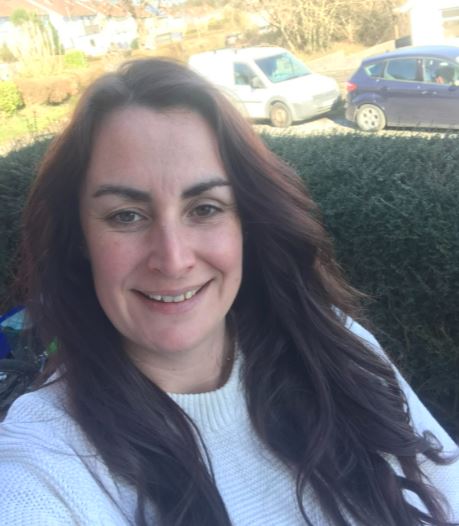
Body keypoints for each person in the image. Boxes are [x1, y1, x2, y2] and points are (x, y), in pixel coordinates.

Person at [0, 58, 458, 526]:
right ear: (79, 239)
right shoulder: (49, 455)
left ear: (247, 223)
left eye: (205, 208)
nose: (173, 259)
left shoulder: (337, 348)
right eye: (126, 215)